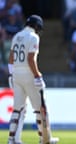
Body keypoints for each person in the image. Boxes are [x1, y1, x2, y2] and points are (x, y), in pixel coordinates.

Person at [7, 15, 59, 144]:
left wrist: (11, 74)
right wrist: (37, 75)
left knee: (18, 109)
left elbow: (11, 58)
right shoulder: (33, 37)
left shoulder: (16, 36)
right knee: (40, 108)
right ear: (36, 26)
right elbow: (31, 59)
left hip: (16, 75)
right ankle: (44, 139)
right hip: (28, 74)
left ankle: (12, 139)